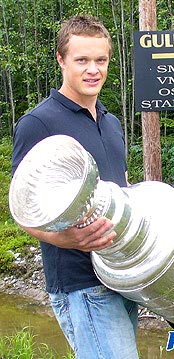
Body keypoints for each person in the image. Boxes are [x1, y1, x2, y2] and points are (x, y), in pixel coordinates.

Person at [11, 15, 139, 359]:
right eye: (82, 60)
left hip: (121, 275)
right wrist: (62, 238)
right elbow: (21, 208)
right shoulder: (39, 123)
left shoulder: (111, 122)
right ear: (61, 60)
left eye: (101, 60)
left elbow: (121, 187)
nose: (93, 69)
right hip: (81, 283)